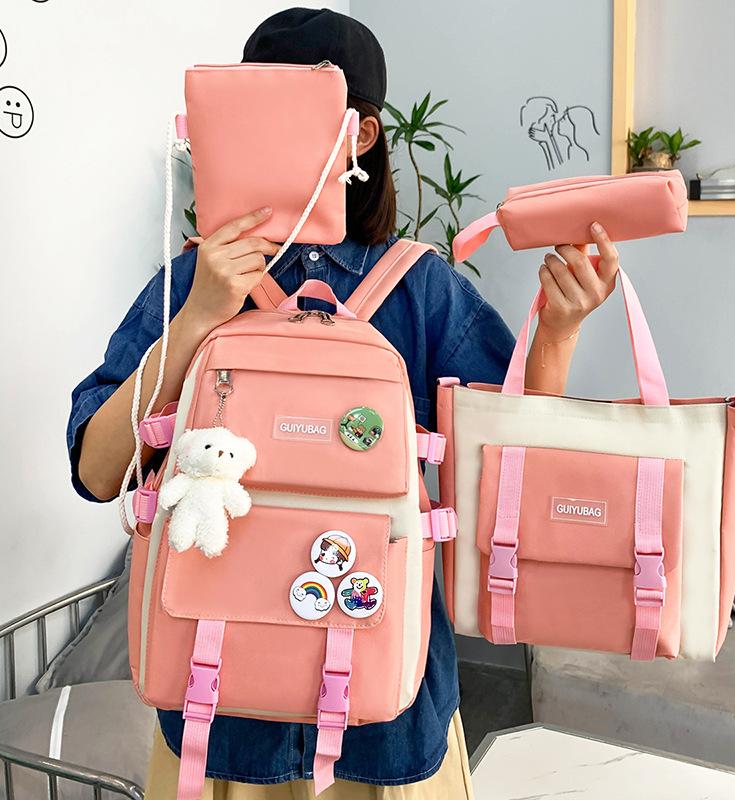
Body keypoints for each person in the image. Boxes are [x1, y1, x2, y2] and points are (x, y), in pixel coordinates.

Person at [67, 8, 620, 799]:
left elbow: (515, 479)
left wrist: (558, 333)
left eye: (292, 107)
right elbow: (98, 471)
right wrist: (197, 317)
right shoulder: (189, 280)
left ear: (360, 134)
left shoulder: (421, 288)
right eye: (249, 107)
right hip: (218, 722)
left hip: (384, 716)